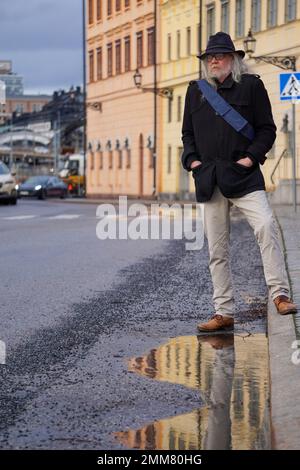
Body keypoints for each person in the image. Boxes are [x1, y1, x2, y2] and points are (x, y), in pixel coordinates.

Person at [181, 32, 297, 332]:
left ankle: (280, 294)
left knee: (266, 227)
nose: (214, 60)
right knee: (216, 250)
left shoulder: (252, 86)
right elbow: (188, 135)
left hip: (245, 177)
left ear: (234, 59)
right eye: (210, 57)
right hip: (210, 179)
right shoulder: (195, 91)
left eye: (220, 55)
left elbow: (267, 130)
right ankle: (224, 312)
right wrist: (192, 161)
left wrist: (250, 158)